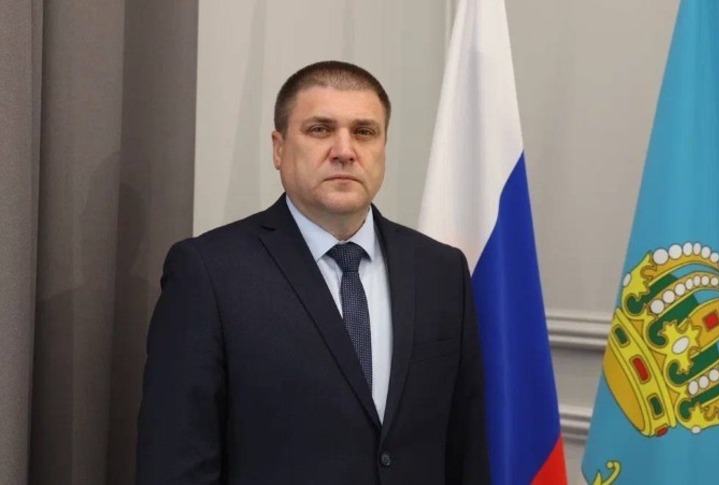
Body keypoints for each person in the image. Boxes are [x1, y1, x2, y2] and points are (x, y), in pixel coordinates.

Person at [136, 60, 489, 484]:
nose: (345, 150)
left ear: (383, 147)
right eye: (320, 129)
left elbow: (467, 446)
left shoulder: (441, 270)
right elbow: (176, 460)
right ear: (279, 148)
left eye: (364, 132)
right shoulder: (208, 271)